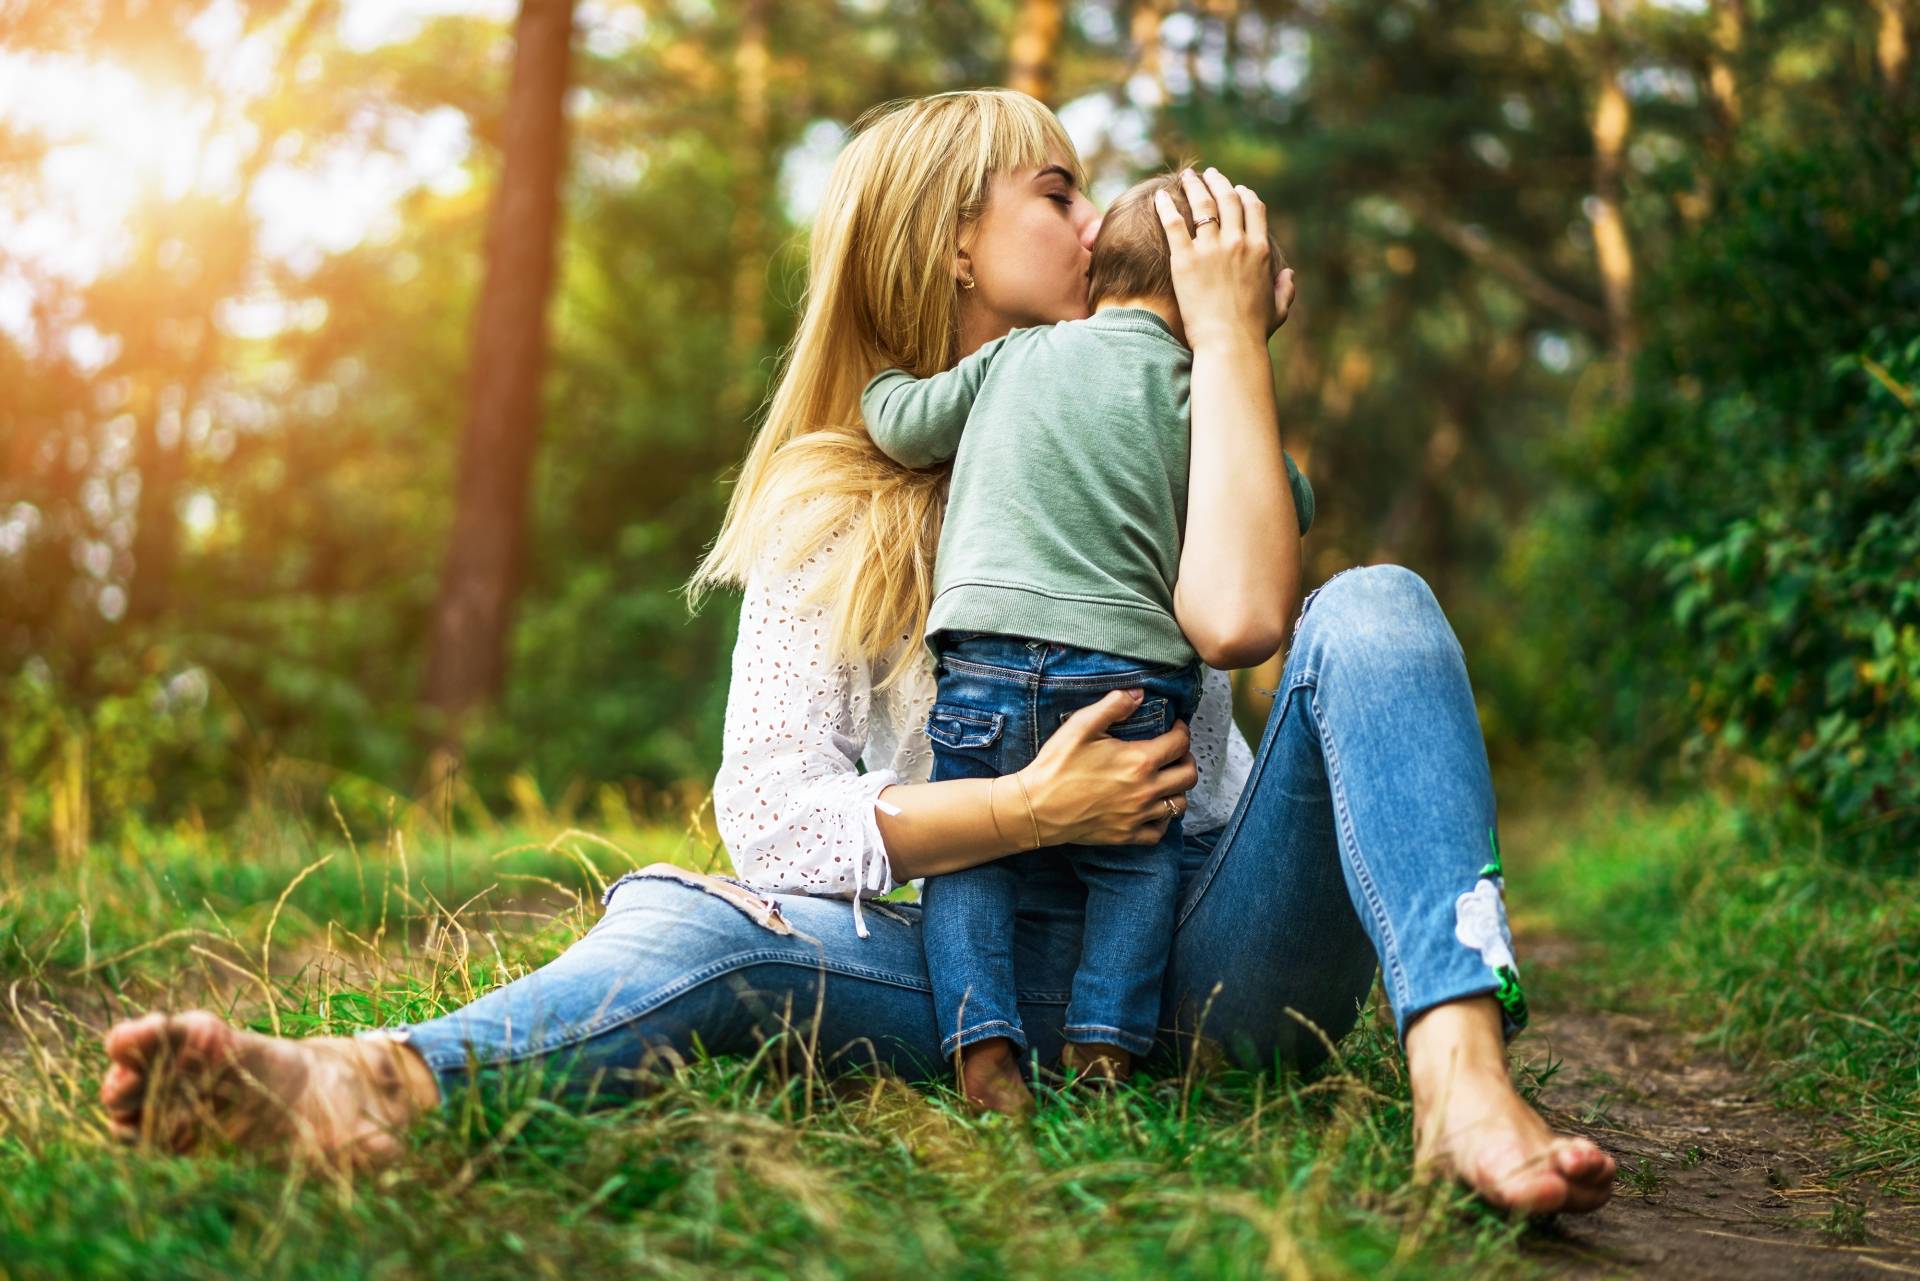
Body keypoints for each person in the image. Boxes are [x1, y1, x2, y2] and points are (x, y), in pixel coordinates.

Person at [99, 88, 1616, 1216]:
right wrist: (1027, 813)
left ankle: (1459, 1079)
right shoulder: (840, 496)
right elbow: (770, 812)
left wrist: (1225, 354)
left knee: (1381, 603)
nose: (1099, 224)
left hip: (1212, 956)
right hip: (959, 978)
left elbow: (1242, 625)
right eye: (1057, 192)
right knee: (691, 919)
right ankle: (366, 1081)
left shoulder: (1180, 421)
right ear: (954, 243)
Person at [860, 169, 1315, 1110]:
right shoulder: (1200, 391)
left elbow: (904, 427)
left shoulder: (1017, 356)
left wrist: (875, 382)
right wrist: (1242, 361)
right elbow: (1289, 506)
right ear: (1208, 296)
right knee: (1137, 864)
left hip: (982, 664)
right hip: (1128, 678)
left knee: (971, 856)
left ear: (1104, 261)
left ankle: (981, 1048)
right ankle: (1104, 1055)